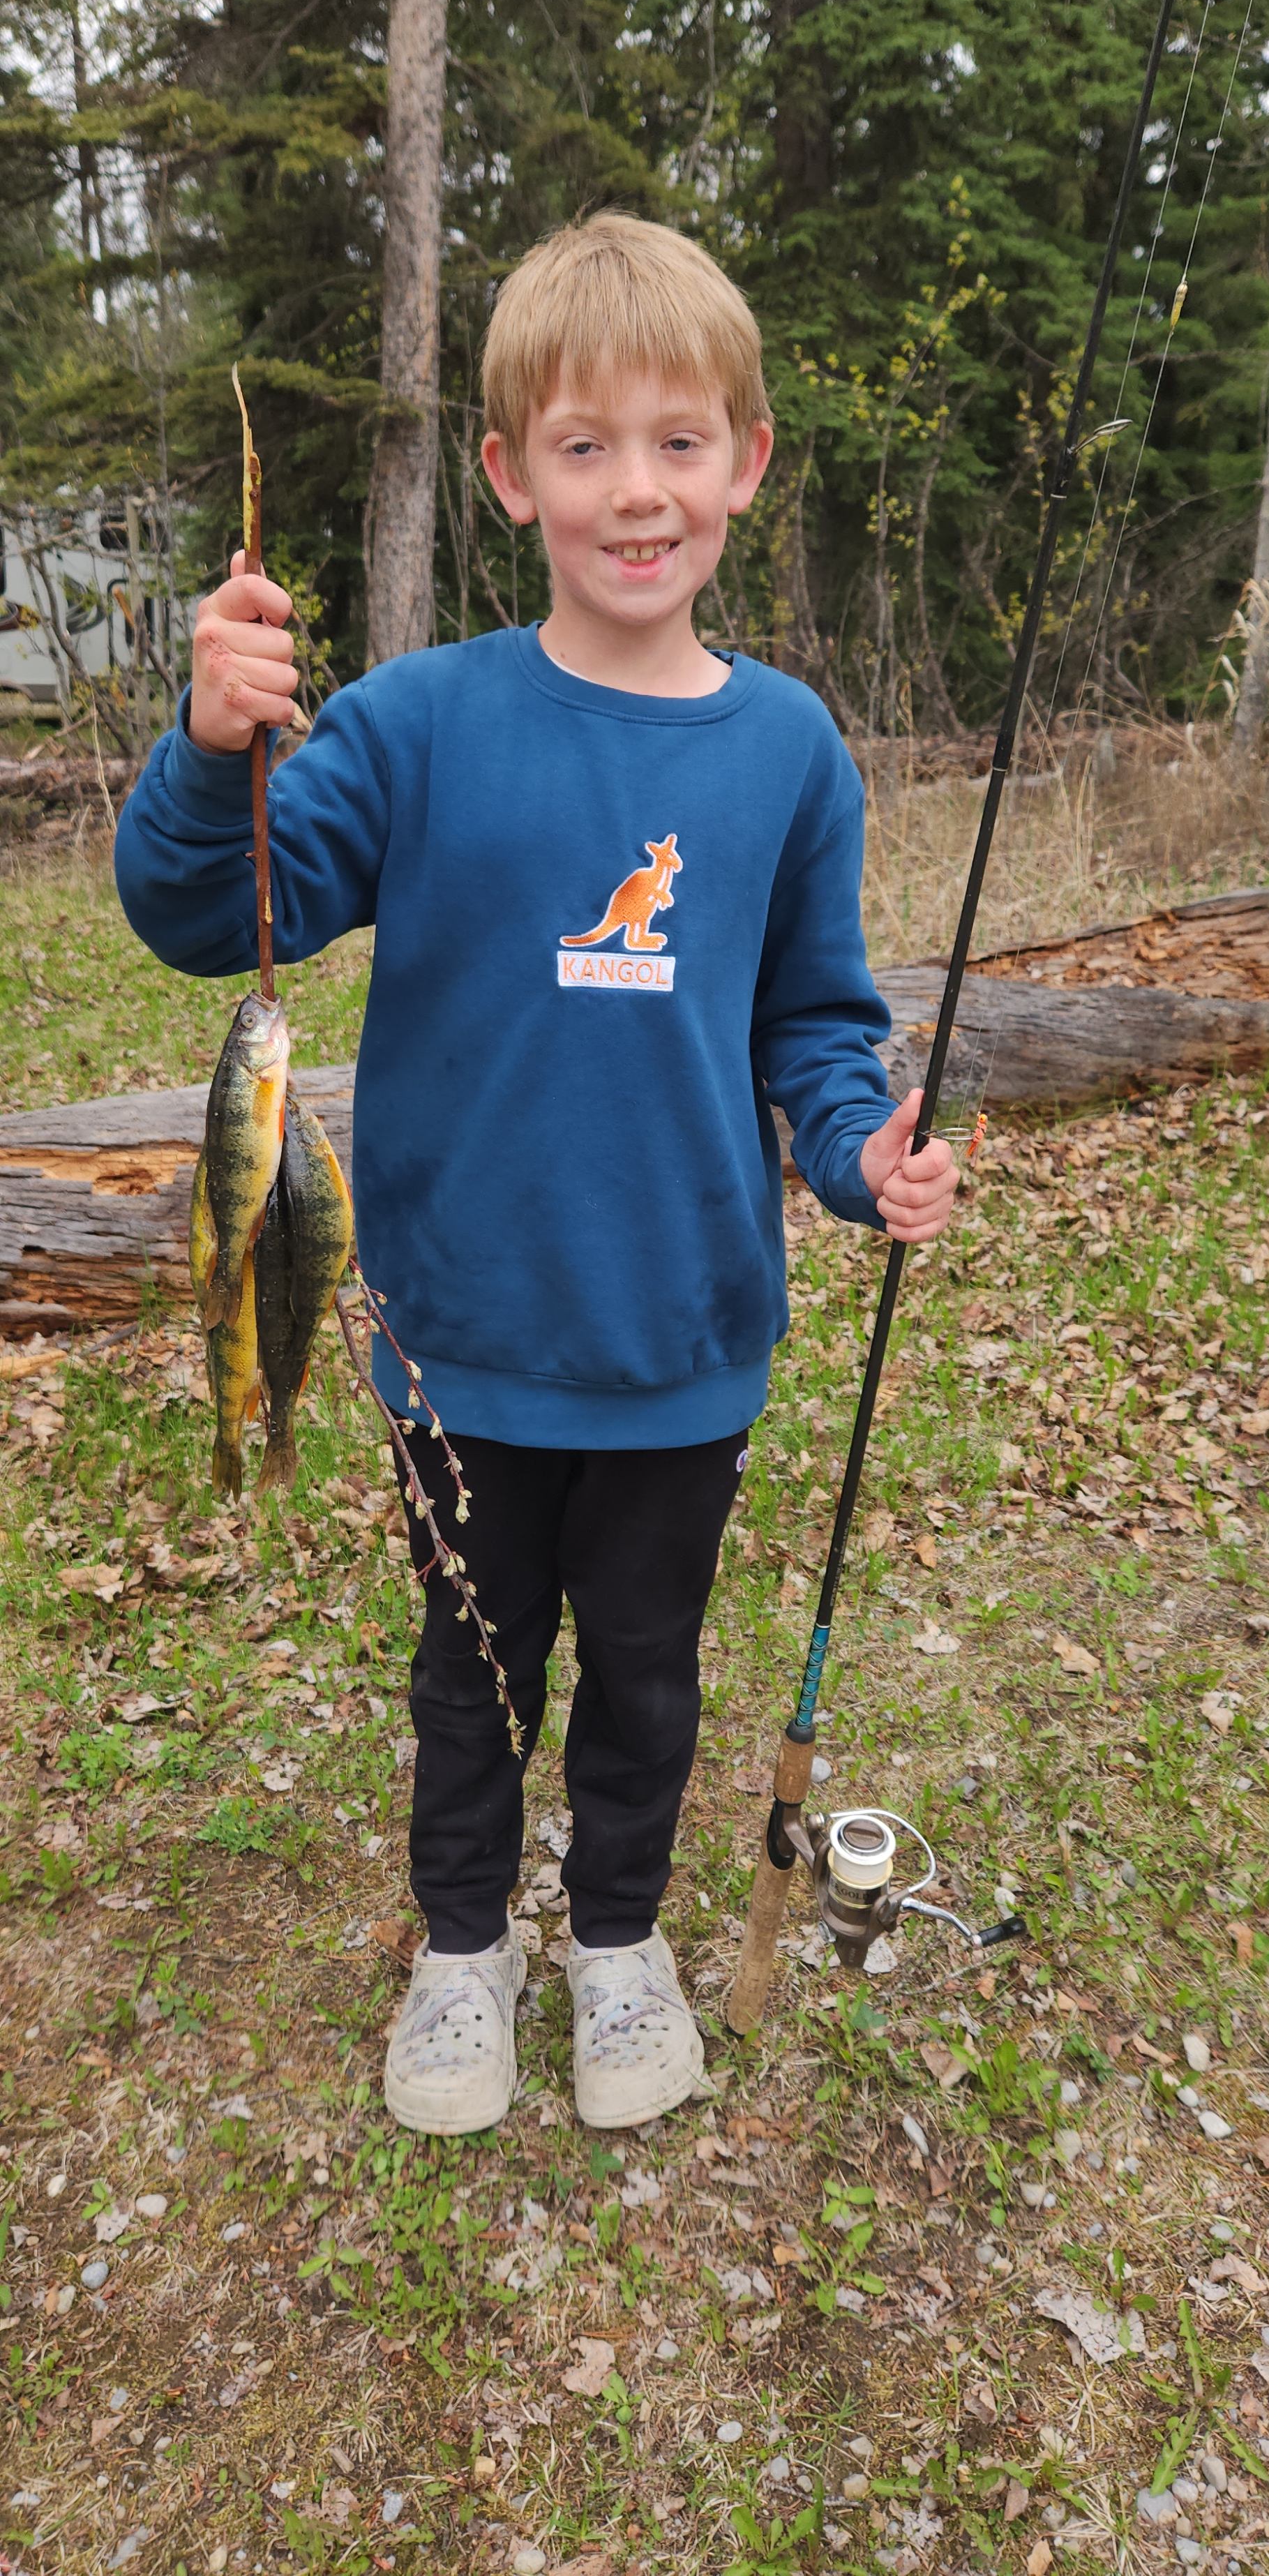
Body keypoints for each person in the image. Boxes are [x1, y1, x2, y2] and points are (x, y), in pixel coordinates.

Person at [115, 212, 960, 2141]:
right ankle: (458, 1952)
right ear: (510, 477)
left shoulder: (789, 753)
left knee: (645, 1677)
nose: (634, 490)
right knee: (469, 1677)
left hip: (681, 1341)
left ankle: (620, 1941)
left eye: (678, 441)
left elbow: (813, 1025)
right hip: (456, 1336)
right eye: (584, 447)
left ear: (747, 462)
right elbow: (195, 909)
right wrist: (202, 747)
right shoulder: (419, 727)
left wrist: (861, 1150)